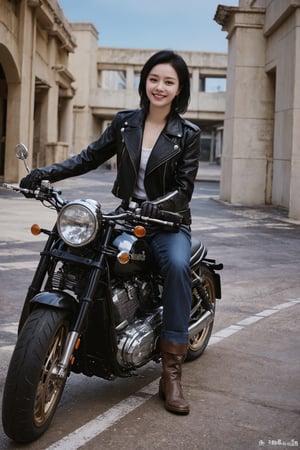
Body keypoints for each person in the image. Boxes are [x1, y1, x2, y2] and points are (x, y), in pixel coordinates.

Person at [20, 50, 201, 415]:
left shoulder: (188, 134)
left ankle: (171, 374)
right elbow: (88, 158)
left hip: (166, 224)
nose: (160, 87)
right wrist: (45, 174)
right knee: (82, 252)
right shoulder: (125, 123)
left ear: (179, 89)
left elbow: (184, 189)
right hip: (126, 217)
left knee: (178, 267)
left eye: (169, 81)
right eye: (154, 78)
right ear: (144, 81)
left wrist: (159, 205)